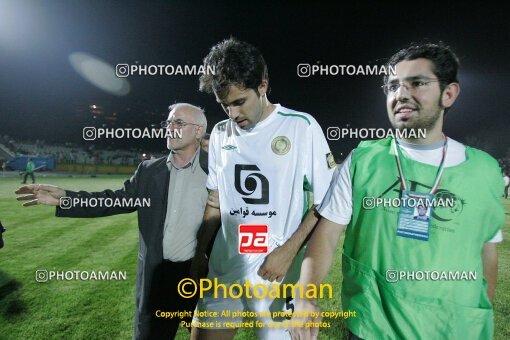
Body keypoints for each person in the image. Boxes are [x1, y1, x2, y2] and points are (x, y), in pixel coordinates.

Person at [290, 42, 505, 339]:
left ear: (449, 93)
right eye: (393, 86)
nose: (401, 94)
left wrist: (479, 311)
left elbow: (486, 251)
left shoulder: (484, 170)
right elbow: (326, 236)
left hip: (454, 330)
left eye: (417, 83)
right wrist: (305, 297)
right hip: (372, 328)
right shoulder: (363, 160)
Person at [15, 103, 209, 340]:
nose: (169, 128)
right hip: (156, 279)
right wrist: (65, 198)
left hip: (199, 279)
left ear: (198, 131)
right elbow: (114, 200)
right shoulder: (149, 171)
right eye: (167, 123)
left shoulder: (218, 170)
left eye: (178, 123)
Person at [189, 38, 336, 340]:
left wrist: (287, 251)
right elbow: (216, 199)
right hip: (224, 269)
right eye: (224, 105)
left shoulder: (300, 126)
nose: (232, 113)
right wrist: (200, 252)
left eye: (239, 101)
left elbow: (328, 201)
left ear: (263, 86)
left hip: (277, 275)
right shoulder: (219, 134)